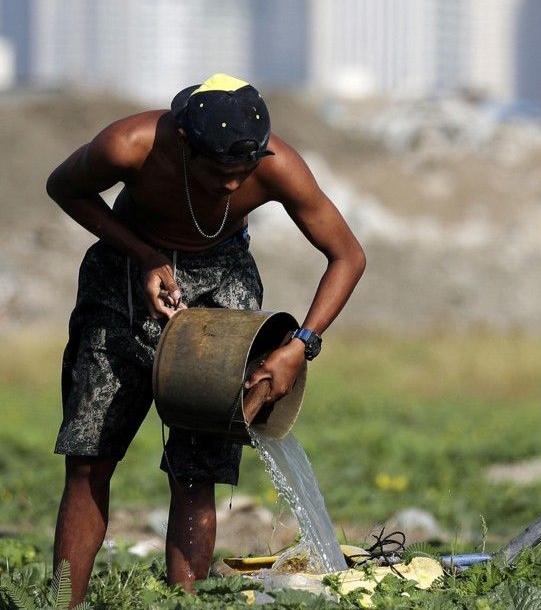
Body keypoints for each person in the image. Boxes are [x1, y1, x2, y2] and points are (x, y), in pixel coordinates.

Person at [45, 73, 366, 605]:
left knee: (198, 468)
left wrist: (298, 345)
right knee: (89, 458)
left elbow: (348, 255)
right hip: (121, 278)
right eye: (220, 172)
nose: (232, 186)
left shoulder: (277, 165)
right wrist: (143, 254)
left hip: (222, 287)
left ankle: (183, 602)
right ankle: (63, 604)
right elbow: (64, 188)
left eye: (244, 173)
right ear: (184, 143)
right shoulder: (130, 145)